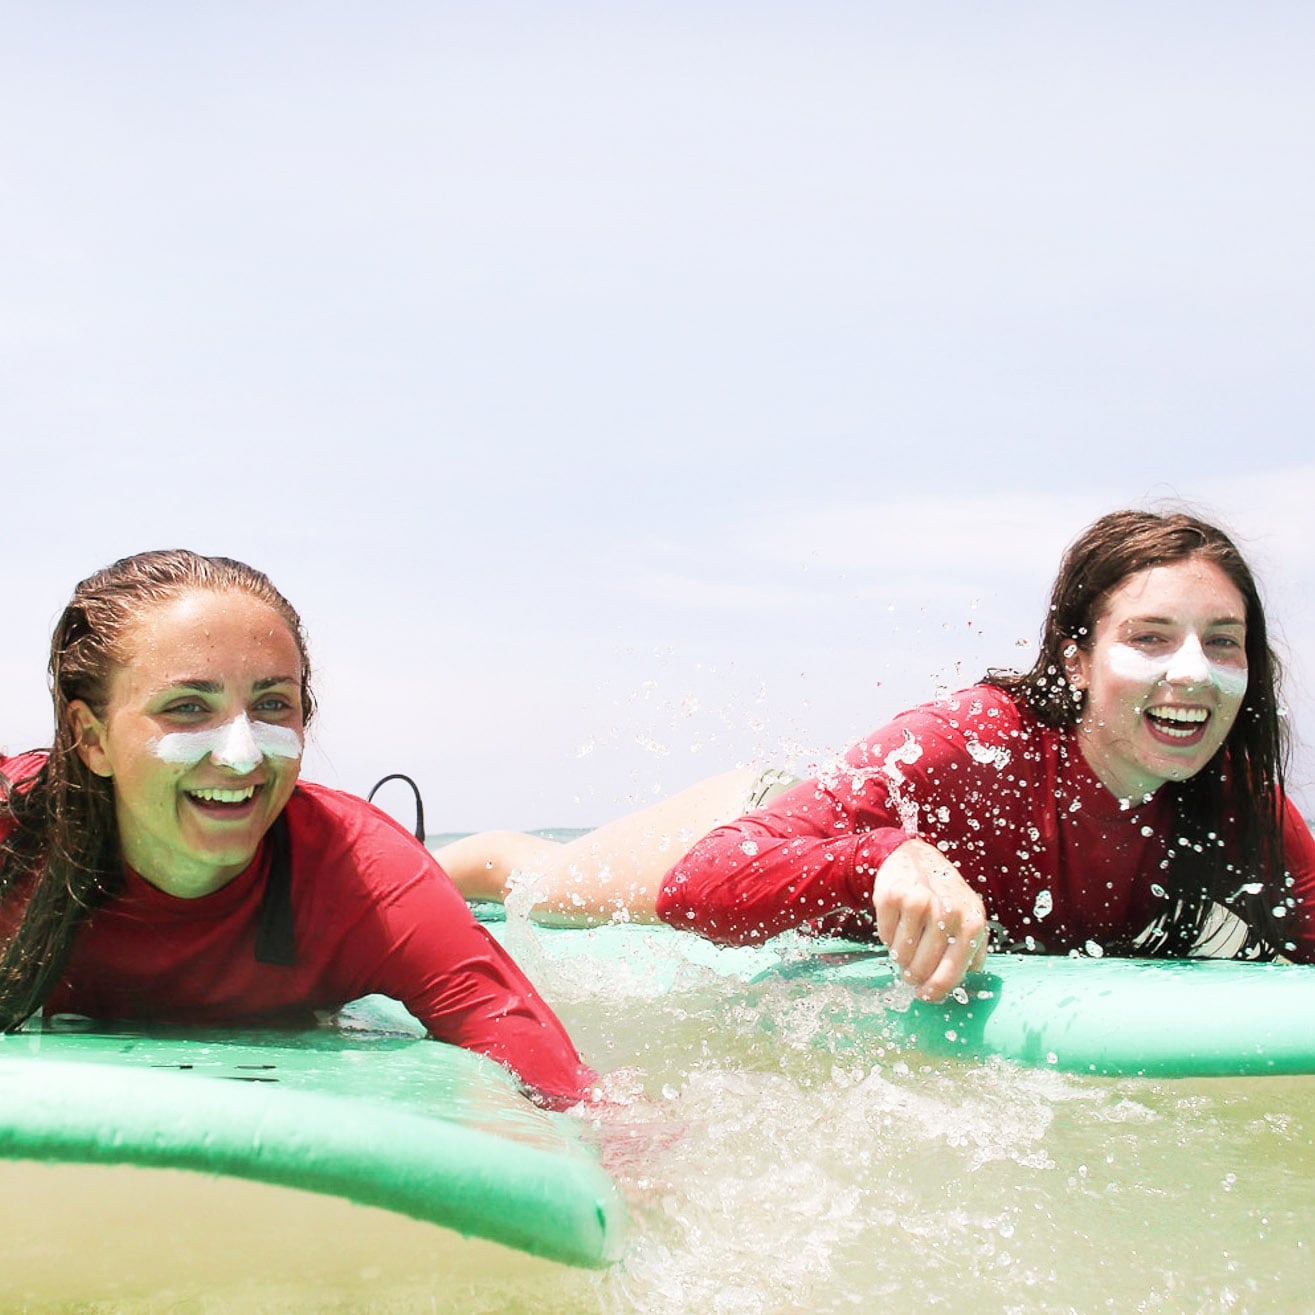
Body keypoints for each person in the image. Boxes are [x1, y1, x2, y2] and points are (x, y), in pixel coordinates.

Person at [440, 509, 1315, 1003]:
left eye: (1224, 642)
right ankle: (411, 865)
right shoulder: (977, 741)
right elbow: (700, 881)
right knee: (541, 888)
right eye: (1150, 637)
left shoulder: (1235, 800)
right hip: (774, 823)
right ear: (1076, 659)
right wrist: (879, 859)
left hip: (843, 852)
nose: (1192, 674)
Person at [0, 551, 593, 1108]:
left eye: (272, 705)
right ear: (91, 738)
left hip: (383, 882)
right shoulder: (13, 834)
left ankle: (475, 863)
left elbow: (568, 1100)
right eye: (187, 707)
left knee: (433, 879)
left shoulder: (365, 878)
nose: (243, 756)